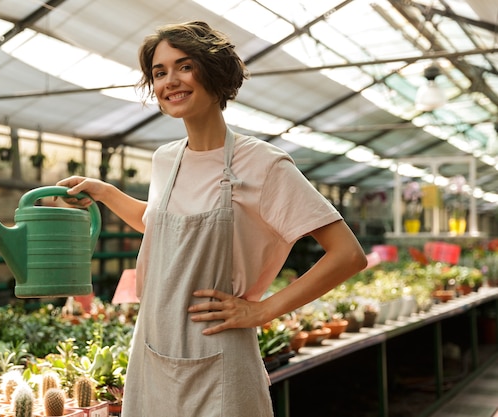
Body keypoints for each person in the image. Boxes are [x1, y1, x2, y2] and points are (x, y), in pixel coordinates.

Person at [56, 20, 367, 417]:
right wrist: (105, 193)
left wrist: (262, 310)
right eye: (159, 72)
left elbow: (347, 255)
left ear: (215, 71)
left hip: (220, 358)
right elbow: (164, 227)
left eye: (184, 66)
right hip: (152, 352)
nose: (170, 81)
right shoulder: (166, 158)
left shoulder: (263, 165)